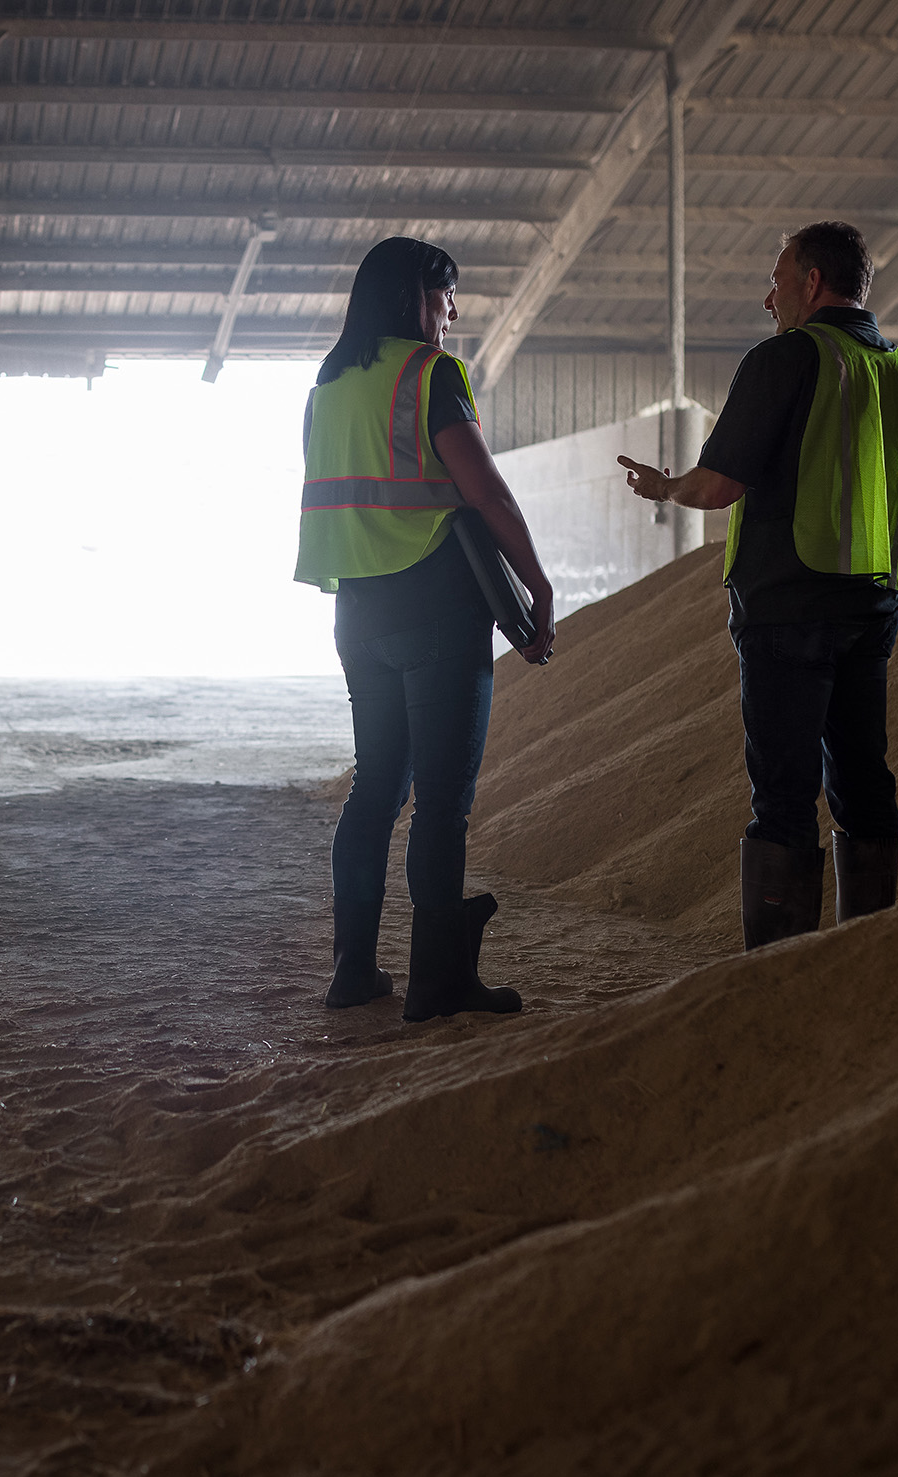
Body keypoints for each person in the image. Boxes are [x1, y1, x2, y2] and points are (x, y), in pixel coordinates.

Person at [617, 220, 898, 949]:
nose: (769, 300)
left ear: (812, 282)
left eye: (777, 282)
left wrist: (664, 487)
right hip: (875, 611)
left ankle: (778, 974)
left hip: (787, 609)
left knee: (784, 795)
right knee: (863, 781)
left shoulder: (788, 358)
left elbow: (718, 486)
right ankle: (864, 955)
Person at [296, 236, 558, 1022]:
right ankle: (439, 983)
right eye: (445, 298)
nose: (451, 314)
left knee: (375, 789)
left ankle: (352, 972)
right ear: (416, 297)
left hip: (358, 614)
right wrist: (538, 584)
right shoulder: (429, 374)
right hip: (437, 608)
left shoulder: (327, 385)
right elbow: (486, 492)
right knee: (441, 804)